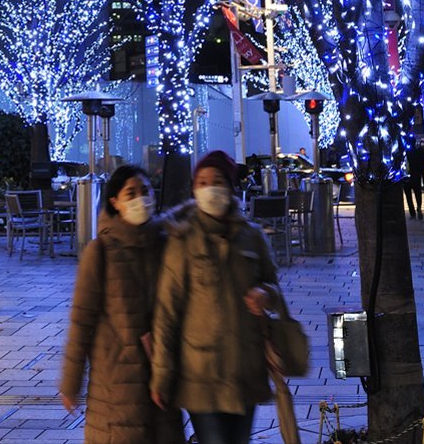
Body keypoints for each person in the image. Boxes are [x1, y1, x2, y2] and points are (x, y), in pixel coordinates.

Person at [150, 150, 284, 444]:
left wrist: (266, 293)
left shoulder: (252, 235)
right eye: (202, 181)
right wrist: (161, 373)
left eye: (217, 180)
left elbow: (274, 287)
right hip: (201, 374)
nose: (210, 187)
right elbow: (166, 312)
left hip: (244, 370)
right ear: (195, 189)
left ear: (230, 186)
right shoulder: (182, 239)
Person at [60, 165, 181, 444]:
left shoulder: (166, 245)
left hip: (161, 372)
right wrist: (71, 382)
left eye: (145, 190)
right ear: (115, 201)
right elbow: (81, 320)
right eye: (131, 193)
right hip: (117, 380)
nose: (141, 198)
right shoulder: (100, 251)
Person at [402, 137, 424, 221]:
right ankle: (419, 207)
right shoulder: (418, 152)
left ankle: (412, 213)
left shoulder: (404, 153)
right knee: (418, 193)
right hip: (416, 177)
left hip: (406, 178)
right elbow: (422, 166)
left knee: (408, 196)